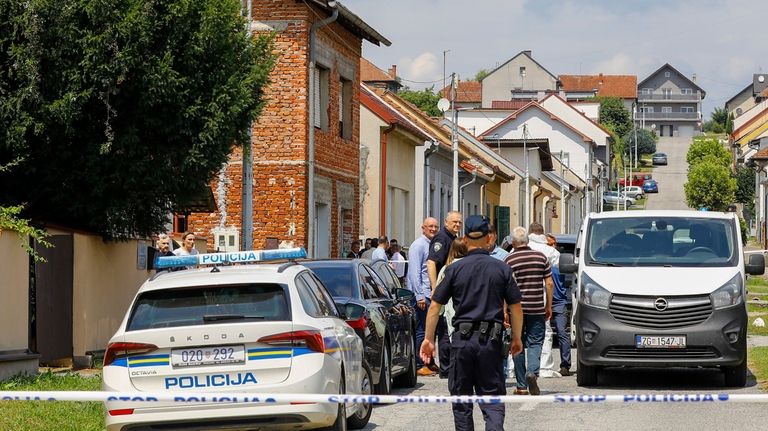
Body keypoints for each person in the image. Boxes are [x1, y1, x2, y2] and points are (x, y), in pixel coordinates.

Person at [421, 215, 523, 431]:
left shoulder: (453, 269)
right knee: (493, 402)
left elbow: (434, 306)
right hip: (490, 343)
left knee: (462, 403)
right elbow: (515, 307)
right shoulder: (502, 268)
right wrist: (516, 338)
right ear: (488, 238)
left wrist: (428, 339)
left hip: (462, 343)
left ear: (465, 238)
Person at [504, 226, 553, 396]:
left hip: (516, 310)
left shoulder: (509, 260)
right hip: (536, 308)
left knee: (517, 343)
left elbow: (505, 288)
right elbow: (549, 283)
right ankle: (532, 371)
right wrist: (548, 306)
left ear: (513, 242)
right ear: (527, 240)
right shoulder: (541, 257)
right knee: (535, 342)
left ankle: (521, 386)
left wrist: (505, 310)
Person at [427, 210, 463, 378]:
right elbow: (432, 262)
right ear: (446, 222)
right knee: (443, 329)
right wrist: (435, 288)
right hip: (444, 288)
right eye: (454, 222)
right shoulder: (442, 238)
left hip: (449, 286)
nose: (457, 225)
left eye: (459, 222)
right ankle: (446, 368)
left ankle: (449, 367)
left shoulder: (452, 238)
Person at [407, 217, 440, 376]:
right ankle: (421, 364)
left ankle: (429, 362)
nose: (433, 229)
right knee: (422, 330)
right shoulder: (418, 246)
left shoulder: (431, 245)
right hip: (422, 295)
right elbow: (414, 273)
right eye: (430, 226)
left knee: (430, 331)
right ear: (423, 228)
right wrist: (419, 296)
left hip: (429, 294)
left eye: (435, 226)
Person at [547, 234, 571, 376]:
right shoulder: (540, 261)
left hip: (559, 302)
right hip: (542, 302)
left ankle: (565, 365)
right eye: (547, 245)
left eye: (551, 245)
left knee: (562, 333)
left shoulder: (559, 262)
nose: (550, 248)